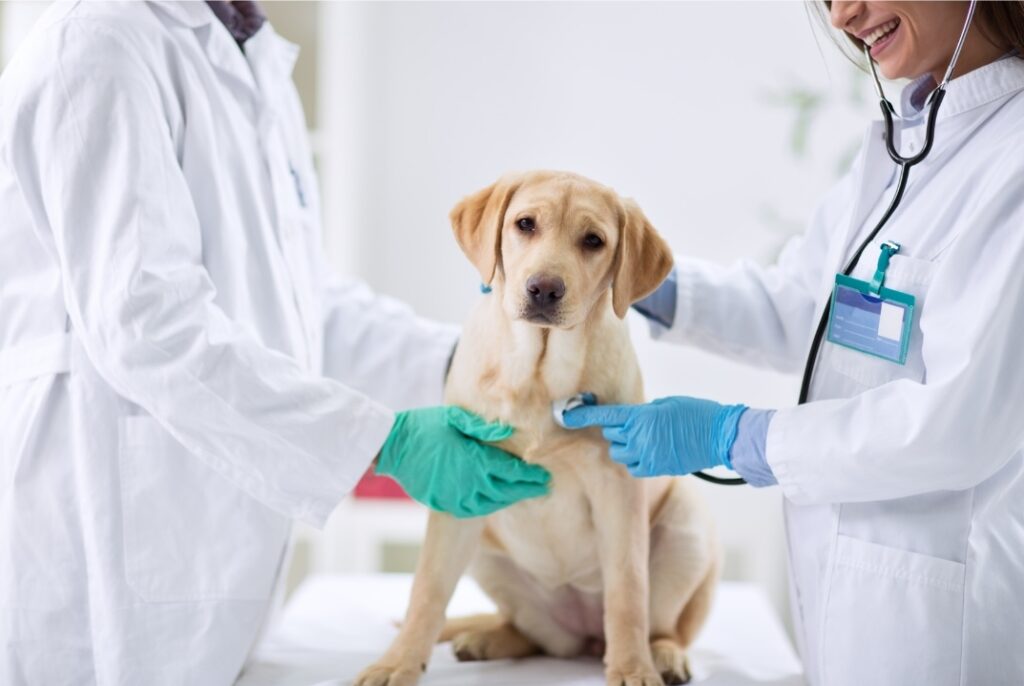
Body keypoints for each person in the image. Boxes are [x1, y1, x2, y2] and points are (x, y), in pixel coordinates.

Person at [0, 2, 549, 685]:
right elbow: (147, 327)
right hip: (105, 563)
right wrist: (384, 443)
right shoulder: (97, 44)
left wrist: (485, 368)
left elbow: (302, 306)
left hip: (212, 558)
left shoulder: (249, 54)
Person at [565, 2, 1024, 685]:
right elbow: (803, 309)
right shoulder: (911, 144)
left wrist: (736, 436)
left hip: (940, 632)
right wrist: (632, 277)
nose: (843, 15)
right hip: (859, 615)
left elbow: (957, 425)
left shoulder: (1010, 160)